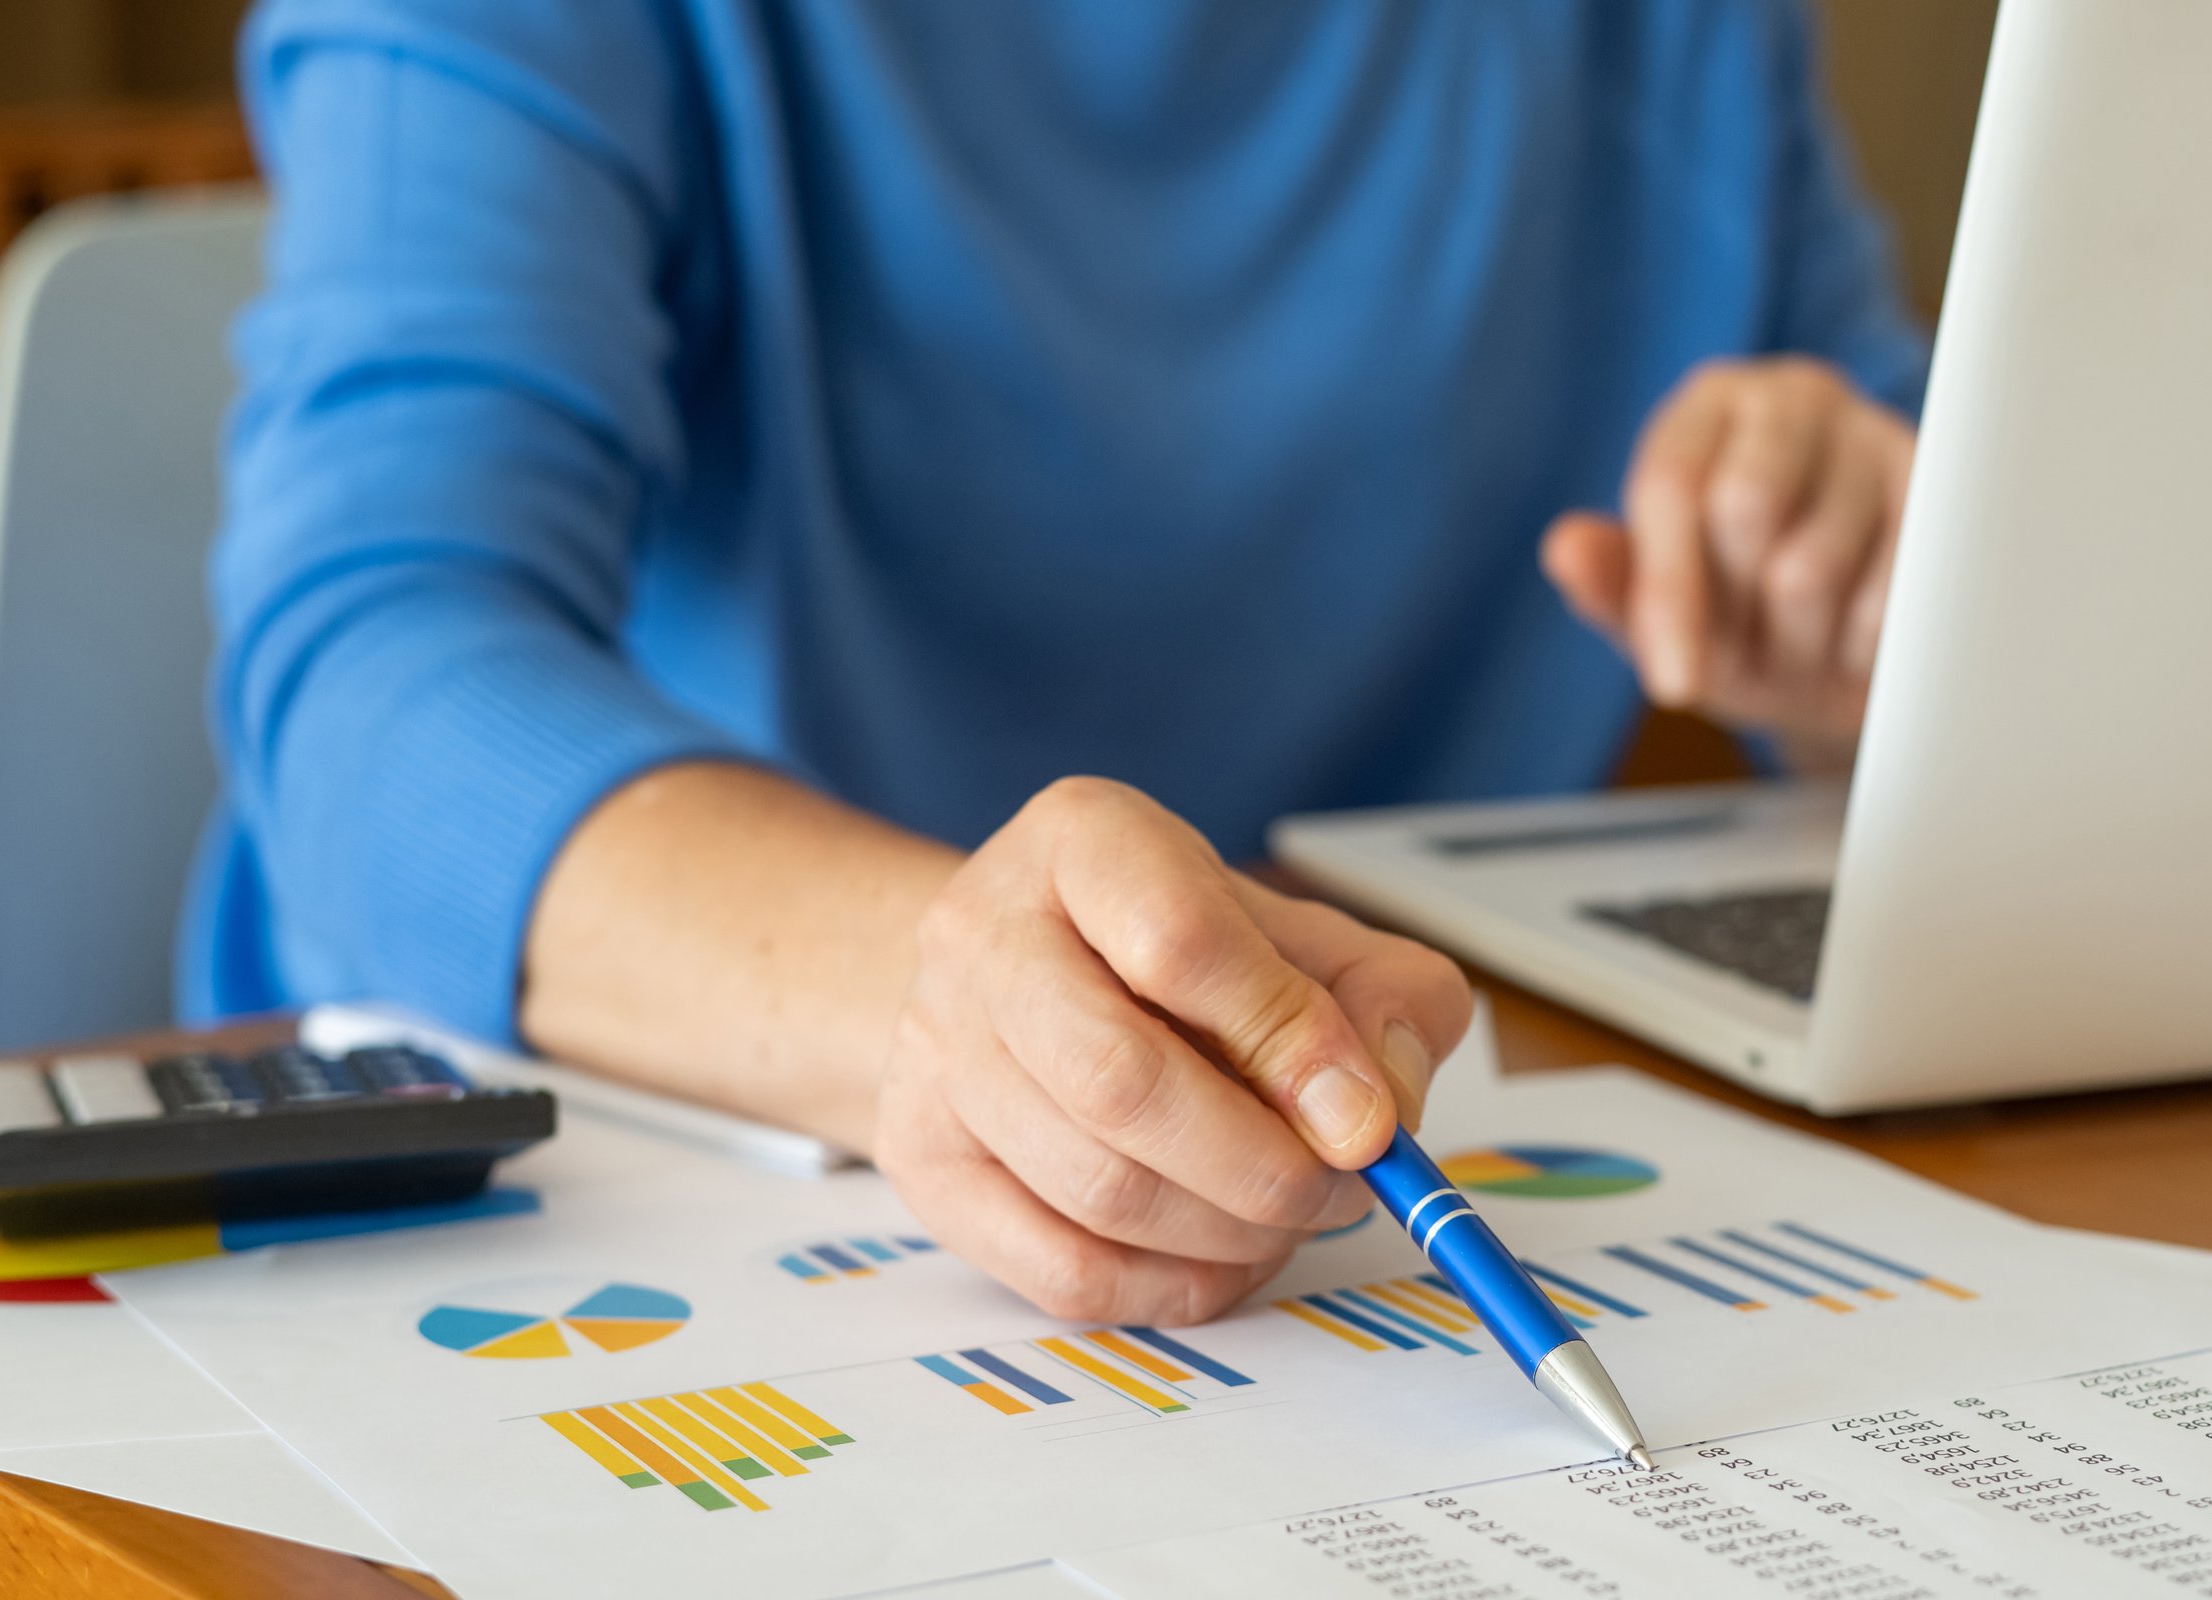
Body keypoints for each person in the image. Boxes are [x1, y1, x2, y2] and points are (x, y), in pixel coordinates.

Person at [189, 1, 1925, 1327]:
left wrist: (1862, 599)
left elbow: (1939, 550)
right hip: (607, 1185)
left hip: (1368, 1186)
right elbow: (367, 678)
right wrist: (943, 1002)